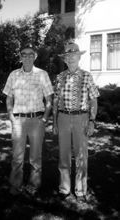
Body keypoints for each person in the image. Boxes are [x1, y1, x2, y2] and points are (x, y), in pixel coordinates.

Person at [53, 40, 99, 204]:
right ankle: (64, 189)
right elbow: (56, 101)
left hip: (82, 119)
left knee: (81, 156)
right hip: (63, 118)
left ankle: (80, 190)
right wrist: (55, 122)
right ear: (65, 59)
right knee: (63, 155)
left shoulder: (87, 76)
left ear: (78, 57)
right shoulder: (59, 77)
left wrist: (92, 120)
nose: (70, 58)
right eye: (68, 55)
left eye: (73, 55)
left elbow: (93, 100)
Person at [3, 45, 54, 196]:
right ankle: (16, 183)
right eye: (23, 54)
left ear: (35, 56)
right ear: (20, 56)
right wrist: (11, 116)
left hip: (37, 120)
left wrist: (44, 118)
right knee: (17, 156)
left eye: (30, 54)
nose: (27, 56)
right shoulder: (13, 75)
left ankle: (34, 184)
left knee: (35, 156)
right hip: (18, 120)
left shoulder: (42, 74)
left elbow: (49, 99)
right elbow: (9, 97)